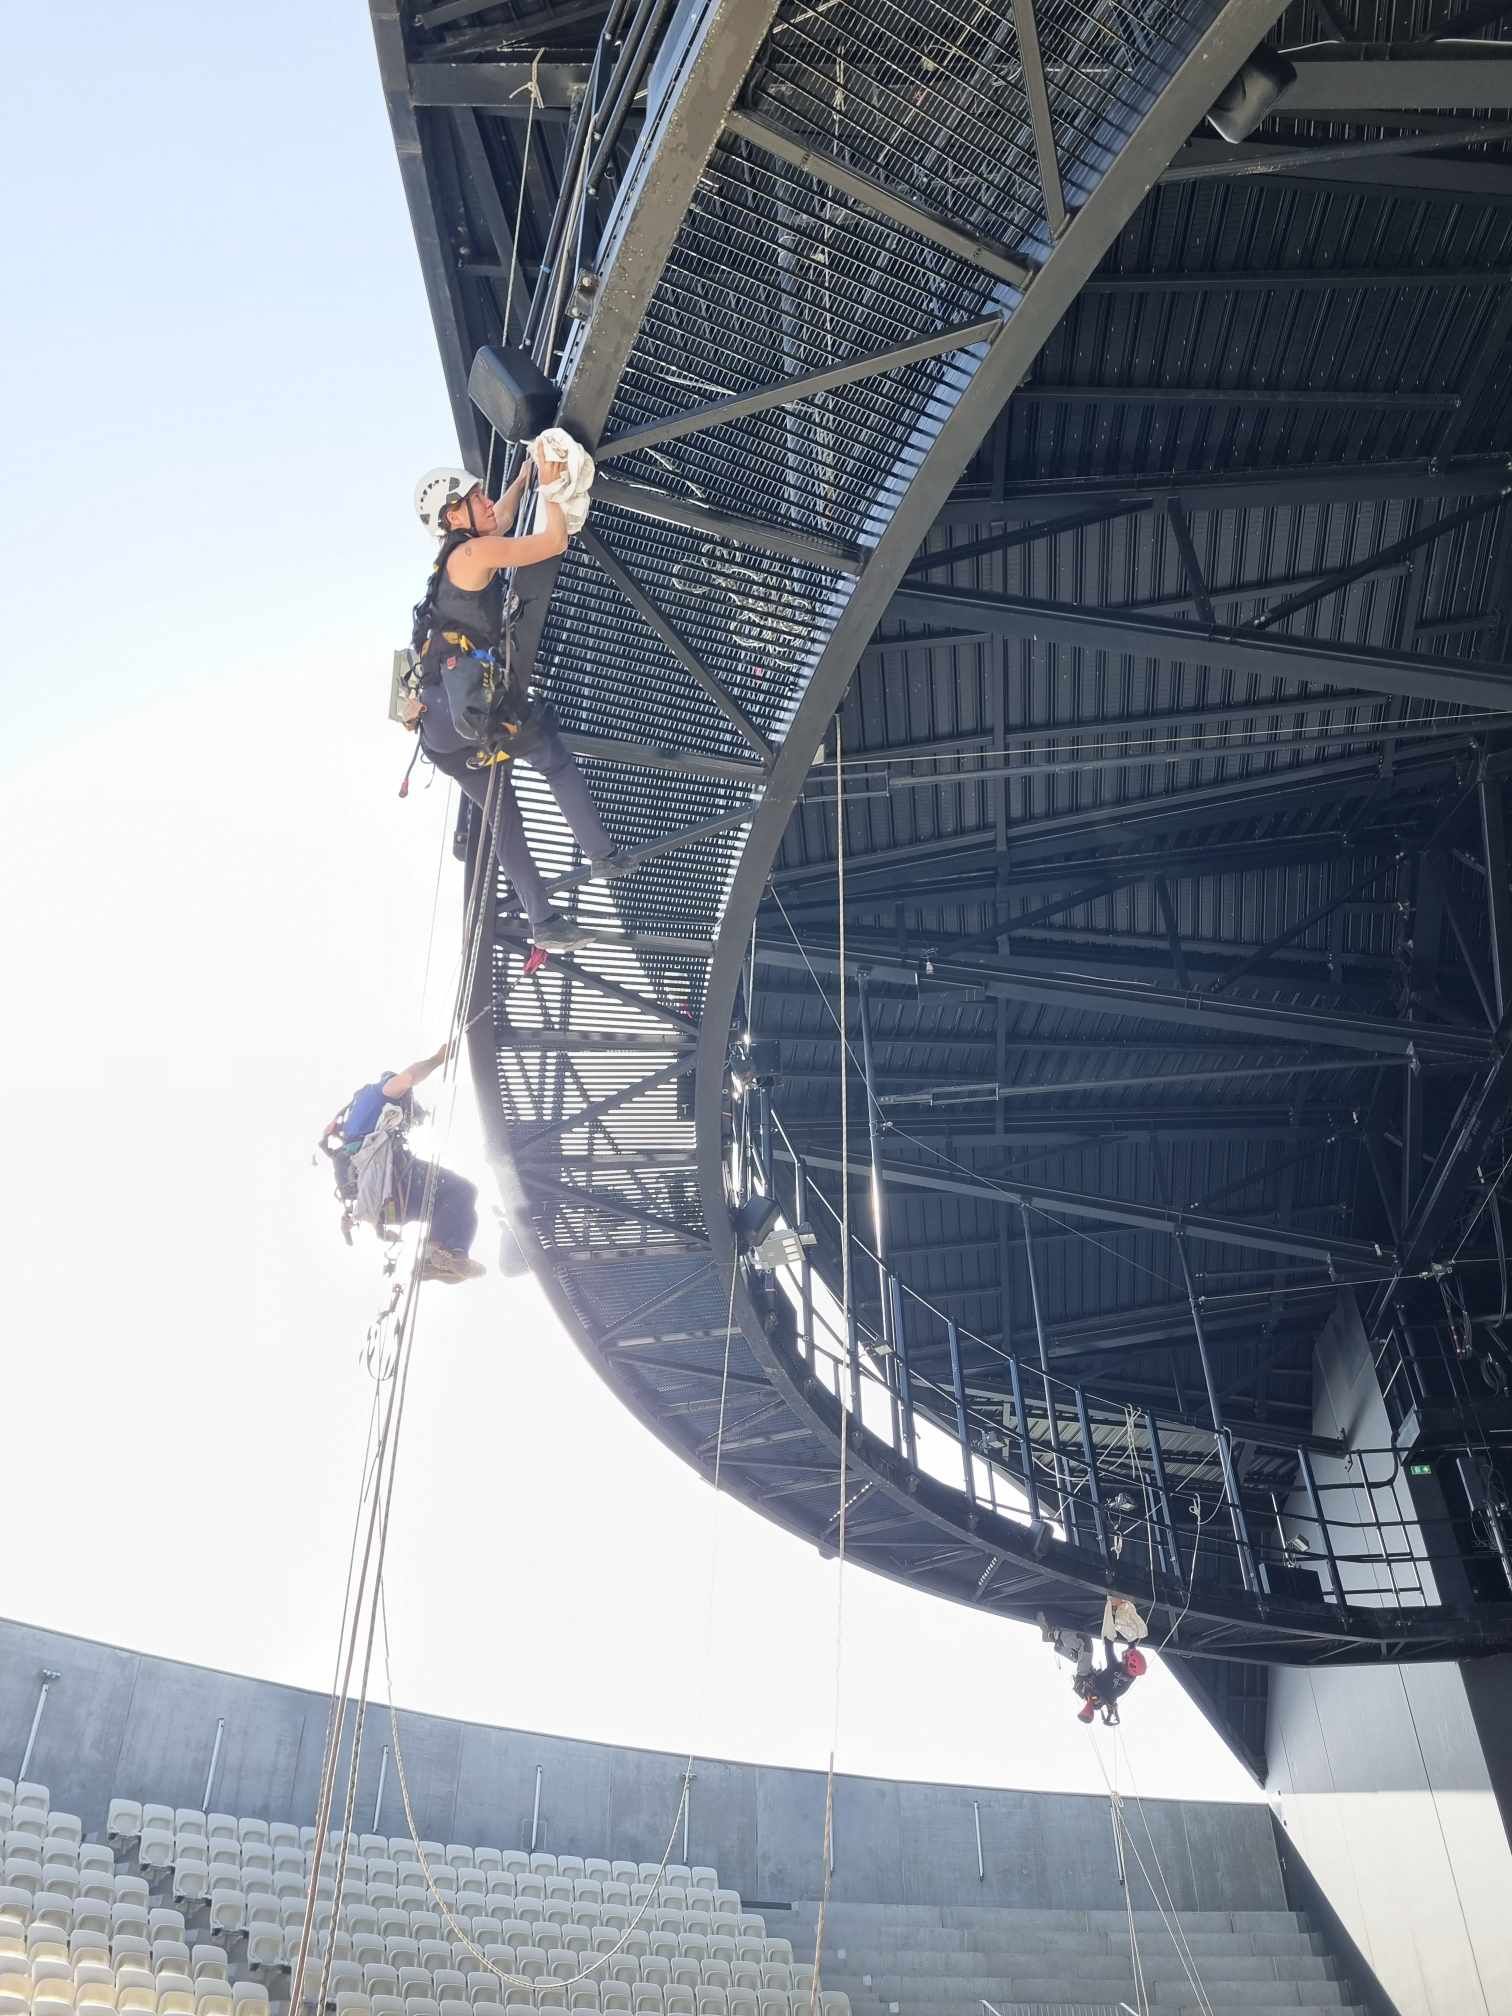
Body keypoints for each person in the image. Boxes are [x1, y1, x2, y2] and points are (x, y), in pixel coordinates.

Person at [403, 443, 621, 953]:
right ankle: (603, 856)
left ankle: (544, 922)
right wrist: (551, 482)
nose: (487, 502)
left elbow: (498, 519)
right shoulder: (474, 555)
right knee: (552, 756)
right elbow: (554, 541)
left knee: (504, 820)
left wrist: (522, 480)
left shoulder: (451, 563)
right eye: (476, 498)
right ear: (454, 515)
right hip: (469, 712)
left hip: (442, 731)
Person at [319, 1041, 485, 1284]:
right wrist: (438, 1059)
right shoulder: (381, 1092)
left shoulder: (351, 1131)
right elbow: (408, 1079)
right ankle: (443, 1254)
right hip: (400, 1185)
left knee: (446, 1207)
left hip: (388, 1209)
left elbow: (363, 1186)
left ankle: (438, 1259)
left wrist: (378, 1228)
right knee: (463, 1191)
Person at [1040, 1616, 1147, 1726]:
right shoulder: (1130, 1673)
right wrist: (1131, 1638)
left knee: (1085, 1644)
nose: (1124, 1656)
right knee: (1081, 1655)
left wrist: (1111, 1619)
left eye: (1125, 1658)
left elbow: (1108, 1644)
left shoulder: (1115, 1668)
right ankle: (1060, 1647)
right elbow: (1130, 1651)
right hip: (1093, 1682)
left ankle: (1052, 1634)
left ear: (1127, 1665)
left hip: (1085, 1680)